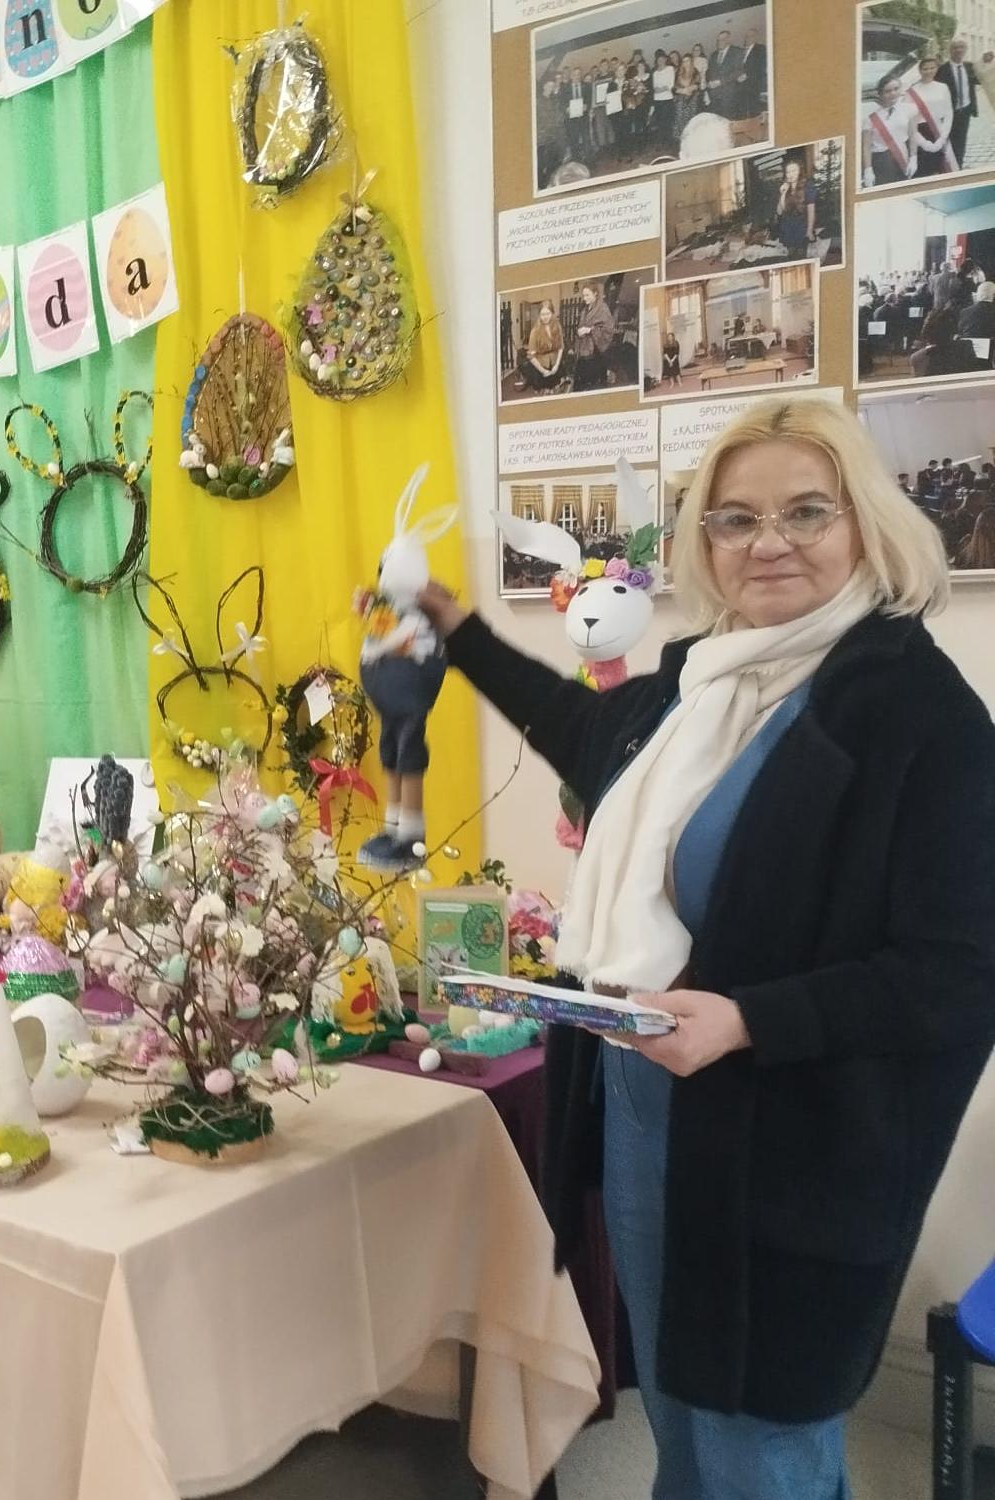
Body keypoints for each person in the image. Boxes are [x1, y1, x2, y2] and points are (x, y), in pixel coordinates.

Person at [417, 396, 995, 1500]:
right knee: (683, 1424)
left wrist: (748, 1019)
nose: (768, 541)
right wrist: (459, 633)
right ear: (703, 541)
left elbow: (958, 975)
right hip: (650, 1118)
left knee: (759, 1452)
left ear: (864, 523)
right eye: (734, 519)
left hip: (793, 1148)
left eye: (805, 511)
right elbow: (583, 730)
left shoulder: (916, 711)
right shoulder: (698, 685)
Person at [911, 56, 959, 177]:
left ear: (937, 68)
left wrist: (943, 138)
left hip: (940, 131)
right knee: (927, 171)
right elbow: (909, 120)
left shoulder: (943, 87)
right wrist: (924, 143)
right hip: (922, 133)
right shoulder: (912, 90)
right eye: (925, 68)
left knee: (945, 169)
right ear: (920, 70)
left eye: (932, 68)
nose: (929, 71)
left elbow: (949, 113)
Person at [868, 76, 917, 186]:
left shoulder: (909, 109)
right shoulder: (871, 115)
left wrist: (913, 158)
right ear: (880, 94)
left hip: (903, 154)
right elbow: (866, 146)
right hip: (881, 159)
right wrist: (868, 169)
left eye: (896, 89)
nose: (893, 93)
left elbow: (913, 135)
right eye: (888, 91)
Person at [945, 36, 982, 168]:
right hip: (949, 112)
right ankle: (947, 167)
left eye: (961, 47)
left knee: (961, 140)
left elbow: (982, 78)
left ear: (965, 49)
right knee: (948, 141)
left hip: (965, 110)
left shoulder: (970, 67)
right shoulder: (943, 69)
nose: (958, 50)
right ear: (950, 50)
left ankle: (958, 166)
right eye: (955, 47)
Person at [572, 281, 615, 391]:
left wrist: (590, 330)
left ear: (595, 293)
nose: (584, 298)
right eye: (583, 295)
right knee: (580, 384)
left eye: (587, 295)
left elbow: (609, 329)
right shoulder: (584, 310)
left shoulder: (603, 308)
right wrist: (579, 331)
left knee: (595, 385)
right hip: (584, 351)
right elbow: (581, 326)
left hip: (597, 352)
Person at [773, 156, 816, 262]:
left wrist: (809, 230)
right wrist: (783, 193)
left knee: (801, 256)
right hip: (787, 228)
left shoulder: (807, 188)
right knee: (791, 257)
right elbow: (780, 211)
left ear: (799, 171)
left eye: (794, 171)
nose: (791, 174)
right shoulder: (784, 188)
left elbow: (811, 211)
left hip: (802, 226)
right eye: (788, 172)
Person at [521, 301, 567, 391]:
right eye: (542, 314)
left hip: (555, 365)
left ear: (552, 313)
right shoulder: (535, 331)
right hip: (541, 368)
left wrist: (557, 365)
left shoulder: (557, 326)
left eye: (548, 313)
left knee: (556, 390)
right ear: (539, 315)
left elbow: (561, 347)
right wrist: (543, 371)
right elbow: (531, 356)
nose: (545, 317)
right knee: (544, 392)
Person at [651, 50, 678, 148]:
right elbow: (654, 87)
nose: (661, 61)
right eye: (659, 59)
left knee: (667, 122)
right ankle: (661, 142)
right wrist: (660, 88)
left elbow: (670, 85)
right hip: (657, 100)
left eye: (662, 59)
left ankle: (668, 143)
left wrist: (661, 88)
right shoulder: (655, 73)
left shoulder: (670, 69)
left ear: (666, 59)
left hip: (667, 99)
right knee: (659, 122)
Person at [709, 29, 737, 113]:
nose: (719, 42)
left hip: (729, 95)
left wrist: (720, 82)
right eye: (718, 40)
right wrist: (708, 82)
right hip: (714, 95)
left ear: (728, 40)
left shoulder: (736, 51)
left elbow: (738, 71)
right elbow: (709, 71)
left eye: (722, 39)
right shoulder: (713, 55)